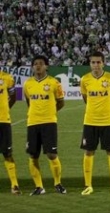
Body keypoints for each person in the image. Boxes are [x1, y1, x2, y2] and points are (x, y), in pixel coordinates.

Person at [23, 55, 67, 195]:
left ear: (46, 66)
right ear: (32, 66)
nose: (38, 66)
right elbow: (29, 102)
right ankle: (39, 187)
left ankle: (58, 183)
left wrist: (50, 112)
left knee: (51, 154)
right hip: (33, 123)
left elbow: (60, 102)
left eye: (41, 63)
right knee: (33, 155)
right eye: (35, 64)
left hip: (49, 122)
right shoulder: (28, 84)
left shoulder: (54, 83)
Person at [79, 51, 110, 195]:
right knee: (89, 151)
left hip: (107, 121)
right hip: (90, 121)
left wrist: (106, 110)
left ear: (103, 63)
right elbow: (86, 98)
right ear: (90, 64)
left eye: (98, 62)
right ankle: (88, 185)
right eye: (93, 62)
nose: (96, 65)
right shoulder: (85, 80)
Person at [0, 68, 21, 194]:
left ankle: (14, 185)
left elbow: (13, 97)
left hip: (3, 120)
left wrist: (7, 109)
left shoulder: (7, 78)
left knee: (7, 154)